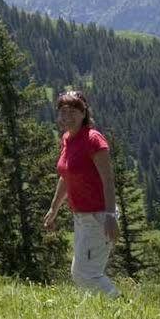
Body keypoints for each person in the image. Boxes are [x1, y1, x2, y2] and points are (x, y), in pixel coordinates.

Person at [42, 88, 120, 297]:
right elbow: (66, 176)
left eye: (73, 111)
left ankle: (121, 305)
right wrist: (54, 208)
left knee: (85, 273)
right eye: (62, 112)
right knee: (81, 272)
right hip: (82, 216)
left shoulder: (94, 139)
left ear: (84, 112)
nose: (67, 117)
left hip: (99, 215)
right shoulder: (67, 139)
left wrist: (110, 216)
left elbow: (108, 180)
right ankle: (106, 308)